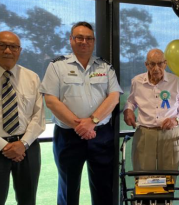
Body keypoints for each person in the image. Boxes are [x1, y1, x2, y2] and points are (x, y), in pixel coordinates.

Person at [40, 22, 123, 205]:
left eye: (89, 38)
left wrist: (91, 122)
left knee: (104, 187)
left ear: (93, 41)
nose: (84, 41)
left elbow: (114, 97)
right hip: (68, 136)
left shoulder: (105, 67)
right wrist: (80, 126)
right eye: (79, 37)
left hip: (101, 135)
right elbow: (51, 100)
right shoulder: (57, 66)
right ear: (71, 40)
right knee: (68, 187)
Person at [0, 31, 45, 205]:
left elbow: (38, 116)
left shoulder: (32, 77)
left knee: (28, 199)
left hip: (28, 148)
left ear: (19, 50)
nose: (7, 51)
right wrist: (4, 147)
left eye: (13, 47)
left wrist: (22, 144)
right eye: (2, 45)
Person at [123, 48, 179, 172]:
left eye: (160, 63)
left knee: (168, 179)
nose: (156, 68)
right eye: (152, 64)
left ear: (165, 63)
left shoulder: (176, 82)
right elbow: (131, 101)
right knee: (143, 176)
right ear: (146, 65)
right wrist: (128, 110)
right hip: (145, 134)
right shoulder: (137, 81)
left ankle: (167, 192)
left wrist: (176, 120)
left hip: (170, 134)